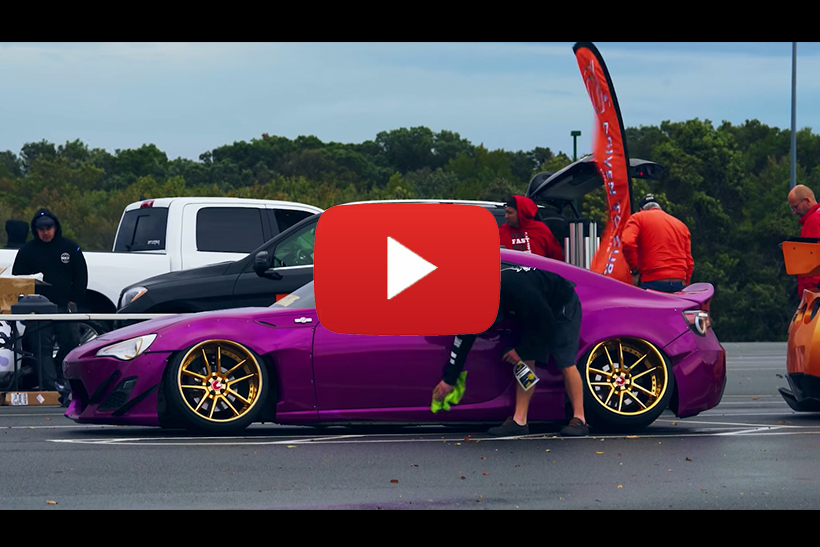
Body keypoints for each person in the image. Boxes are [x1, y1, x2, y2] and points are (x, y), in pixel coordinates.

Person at [432, 266, 588, 437]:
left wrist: (520, 350)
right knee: (525, 361)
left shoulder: (517, 288)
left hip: (559, 304)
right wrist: (449, 379)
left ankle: (579, 419)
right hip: (529, 310)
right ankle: (519, 421)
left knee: (565, 360)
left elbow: (545, 322)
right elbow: (462, 342)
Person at [12, 209, 87, 404]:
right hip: (38, 308)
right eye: (41, 229)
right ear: (35, 230)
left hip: (63, 306)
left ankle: (64, 380)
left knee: (71, 342)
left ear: (55, 227)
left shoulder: (70, 248)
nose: (46, 232)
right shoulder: (27, 251)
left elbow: (81, 275)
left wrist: (74, 298)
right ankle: (49, 386)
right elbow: (18, 279)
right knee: (41, 346)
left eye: (49, 228)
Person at [621, 194, 694, 293]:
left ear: (641, 210)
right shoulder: (681, 225)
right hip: (679, 282)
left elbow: (627, 242)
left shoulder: (638, 217)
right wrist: (684, 286)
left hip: (652, 281)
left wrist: (635, 270)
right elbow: (689, 263)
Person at [499, 195, 564, 261]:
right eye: (506, 212)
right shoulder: (501, 232)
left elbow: (556, 256)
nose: (506, 216)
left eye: (510, 213)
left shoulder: (540, 230)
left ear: (521, 212)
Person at [788, 184, 820, 299]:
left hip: (814, 293)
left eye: (795, 207)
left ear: (807, 201)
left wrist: (809, 293)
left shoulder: (814, 220)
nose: (794, 212)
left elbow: (812, 262)